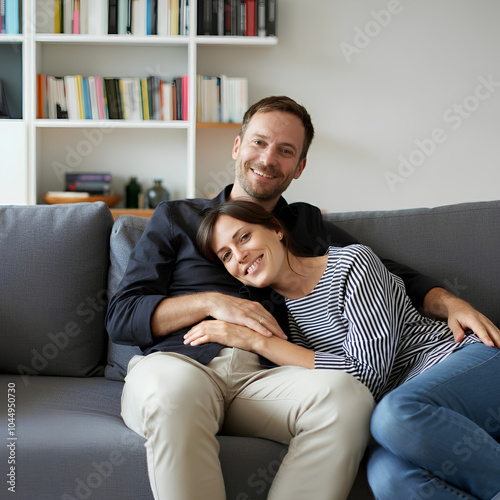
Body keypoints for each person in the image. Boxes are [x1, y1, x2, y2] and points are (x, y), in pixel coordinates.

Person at [105, 95, 500, 500]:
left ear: (299, 167)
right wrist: (213, 303)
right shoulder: (176, 217)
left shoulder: (307, 227)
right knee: (177, 395)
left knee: (348, 400)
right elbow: (122, 317)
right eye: (259, 142)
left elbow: (388, 274)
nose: (268, 158)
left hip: (268, 377)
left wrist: (450, 302)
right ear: (238, 145)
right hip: (183, 364)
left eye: (285, 150)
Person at [194, 198, 500, 500]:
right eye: (226, 255)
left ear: (276, 230)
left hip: (465, 361)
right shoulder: (287, 322)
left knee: (392, 415)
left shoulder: (353, 264)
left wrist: (259, 342)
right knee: (387, 477)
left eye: (244, 237)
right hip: (405, 414)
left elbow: (367, 377)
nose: (240, 256)